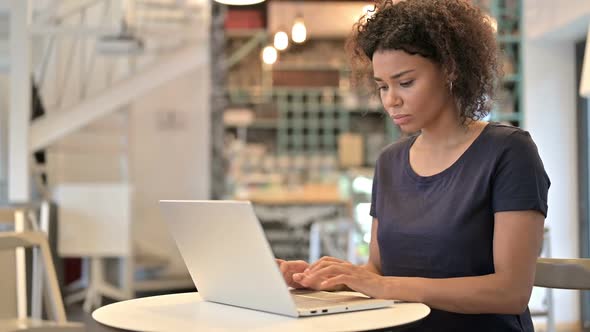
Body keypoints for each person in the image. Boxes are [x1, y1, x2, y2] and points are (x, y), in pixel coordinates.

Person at [276, 0, 550, 331]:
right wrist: (331, 279)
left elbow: (510, 292)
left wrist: (383, 285)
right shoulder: (390, 161)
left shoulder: (508, 152)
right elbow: (378, 270)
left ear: (451, 70)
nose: (391, 99)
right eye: (382, 86)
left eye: (405, 82)